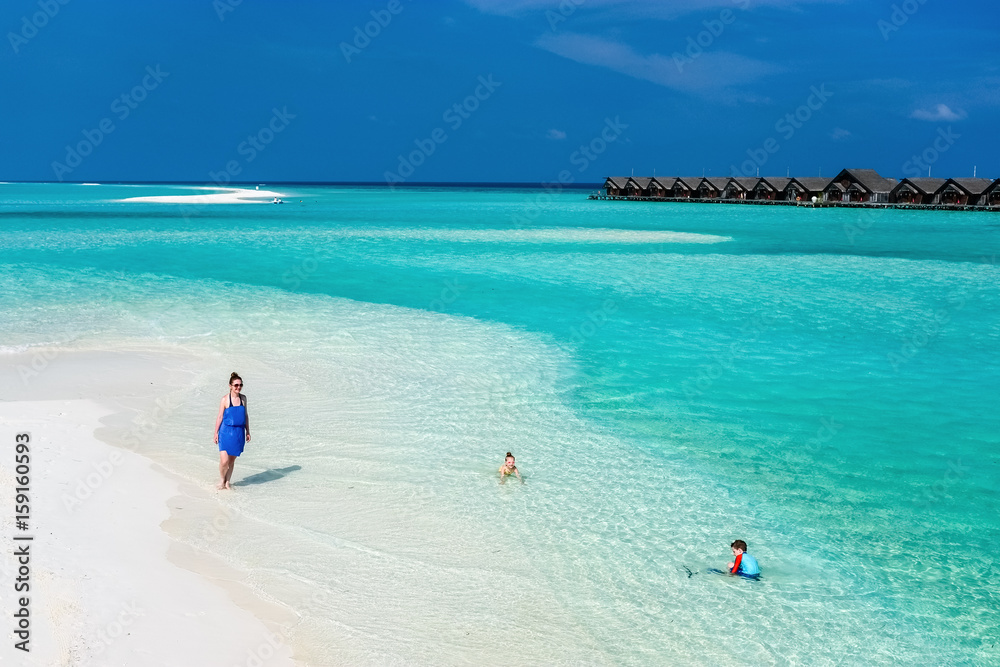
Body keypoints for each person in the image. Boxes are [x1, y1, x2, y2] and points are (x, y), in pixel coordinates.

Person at [214, 372, 250, 490]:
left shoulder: (243, 399)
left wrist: (248, 431)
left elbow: (245, 416)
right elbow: (220, 417)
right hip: (225, 432)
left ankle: (228, 482)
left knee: (231, 460)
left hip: (238, 433)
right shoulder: (225, 399)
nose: (238, 387)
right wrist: (215, 433)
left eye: (240, 385)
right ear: (230, 386)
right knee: (224, 461)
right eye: (236, 385)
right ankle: (221, 479)